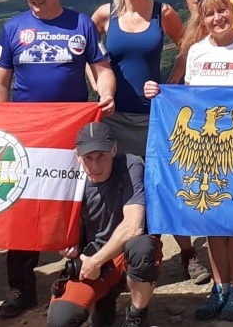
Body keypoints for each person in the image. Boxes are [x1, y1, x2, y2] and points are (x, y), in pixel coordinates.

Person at [0, 0, 118, 319]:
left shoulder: (81, 24)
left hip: (71, 130)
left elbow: (102, 69)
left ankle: (78, 275)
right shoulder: (13, 27)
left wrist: (106, 93)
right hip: (26, 134)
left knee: (76, 200)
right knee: (24, 206)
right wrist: (0, 126)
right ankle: (21, 286)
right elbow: (0, 83)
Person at [145, 0, 233, 322]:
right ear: (201, 19)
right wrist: (158, 92)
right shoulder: (196, 52)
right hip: (204, 152)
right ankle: (220, 287)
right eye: (209, 14)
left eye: (222, 10)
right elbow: (187, 99)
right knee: (212, 223)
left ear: (232, 10)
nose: (218, 18)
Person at [89, 0, 198, 283]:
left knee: (162, 184)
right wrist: (98, 87)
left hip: (154, 116)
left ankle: (187, 252)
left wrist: (171, 84)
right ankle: (124, 255)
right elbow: (85, 52)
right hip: (114, 116)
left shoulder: (162, 13)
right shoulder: (104, 15)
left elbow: (188, 46)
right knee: (120, 186)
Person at [48, 122, 159, 327]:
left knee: (142, 248)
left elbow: (134, 226)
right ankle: (105, 300)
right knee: (61, 320)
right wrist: (66, 243)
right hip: (91, 254)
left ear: (114, 150)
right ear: (77, 156)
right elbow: (55, 223)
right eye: (88, 158)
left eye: (101, 156)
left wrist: (96, 261)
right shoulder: (69, 175)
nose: (95, 166)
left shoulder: (130, 165)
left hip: (124, 251)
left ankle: (136, 314)